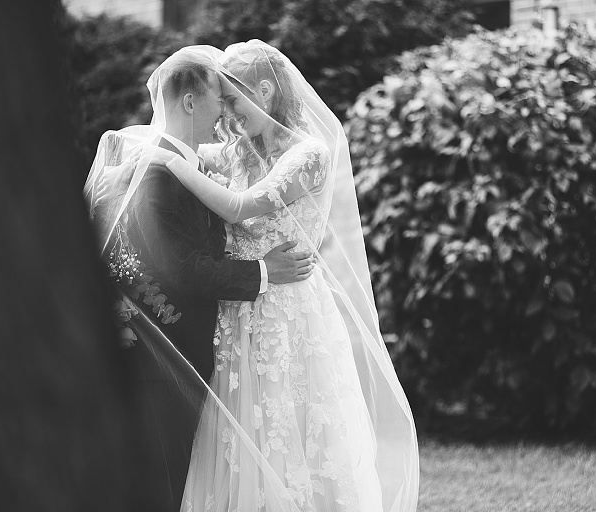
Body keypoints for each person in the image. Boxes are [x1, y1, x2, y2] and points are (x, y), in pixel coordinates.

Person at [144, 41, 419, 512]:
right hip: (237, 312)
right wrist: (154, 153)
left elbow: (237, 207)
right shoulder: (235, 153)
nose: (226, 114)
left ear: (265, 91)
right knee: (237, 432)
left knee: (292, 428)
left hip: (289, 312)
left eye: (233, 99)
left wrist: (172, 163)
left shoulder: (308, 154)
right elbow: (182, 139)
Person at [83, 47, 316, 511]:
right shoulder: (160, 175)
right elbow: (182, 269)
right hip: (164, 353)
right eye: (218, 100)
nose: (225, 115)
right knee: (166, 478)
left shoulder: (171, 162)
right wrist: (266, 270)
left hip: (169, 344)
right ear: (190, 103)